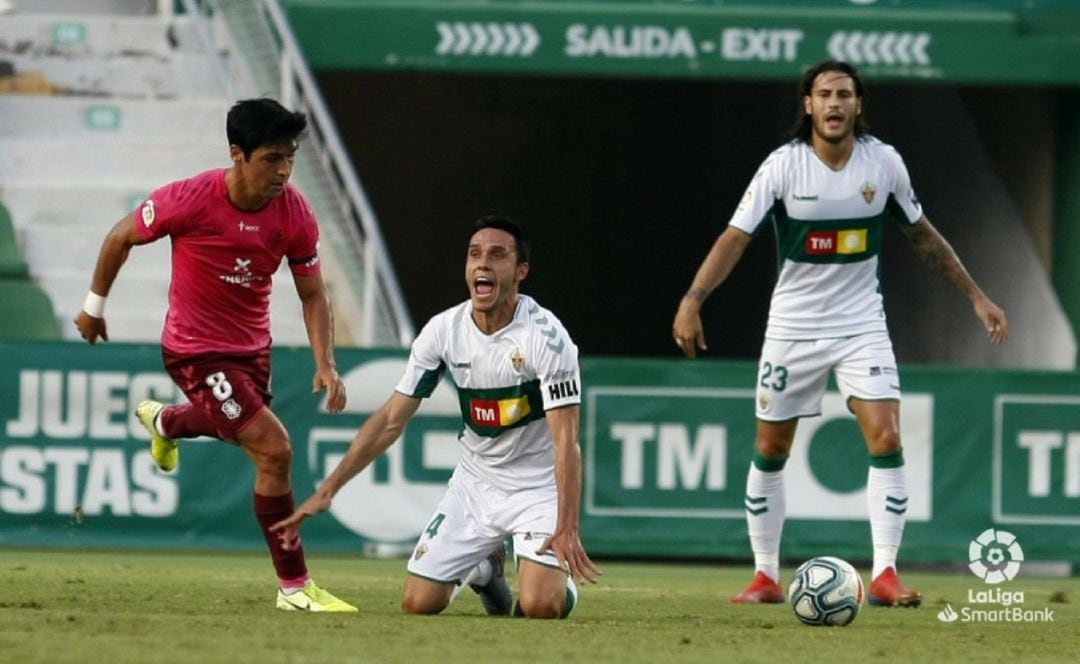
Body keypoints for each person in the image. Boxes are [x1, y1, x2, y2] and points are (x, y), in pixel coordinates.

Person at [672, 60, 1009, 607]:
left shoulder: (884, 164)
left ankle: (885, 574)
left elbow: (922, 235)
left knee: (887, 436)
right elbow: (735, 237)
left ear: (858, 105)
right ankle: (764, 576)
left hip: (860, 324)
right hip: (793, 328)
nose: (834, 104)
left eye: (844, 95)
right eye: (824, 94)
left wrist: (976, 296)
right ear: (808, 104)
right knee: (771, 447)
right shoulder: (783, 167)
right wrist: (693, 300)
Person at [75, 98, 356, 613]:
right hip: (194, 349)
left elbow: (313, 293)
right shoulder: (190, 199)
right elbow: (120, 236)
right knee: (275, 450)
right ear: (237, 154)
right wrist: (94, 308)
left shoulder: (294, 212)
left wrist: (326, 362)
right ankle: (294, 588)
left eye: (290, 156)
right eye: (272, 157)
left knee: (236, 430)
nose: (284, 169)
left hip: (252, 351)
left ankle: (167, 423)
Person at [271, 215, 602, 618]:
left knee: (540, 605)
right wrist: (328, 490)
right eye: (475, 254)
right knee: (418, 603)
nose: (483, 264)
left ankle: (550, 578)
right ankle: (484, 568)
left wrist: (567, 525)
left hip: (537, 487)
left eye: (497, 255)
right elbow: (392, 418)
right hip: (476, 484)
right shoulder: (443, 331)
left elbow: (566, 441)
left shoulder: (547, 339)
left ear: (520, 272)